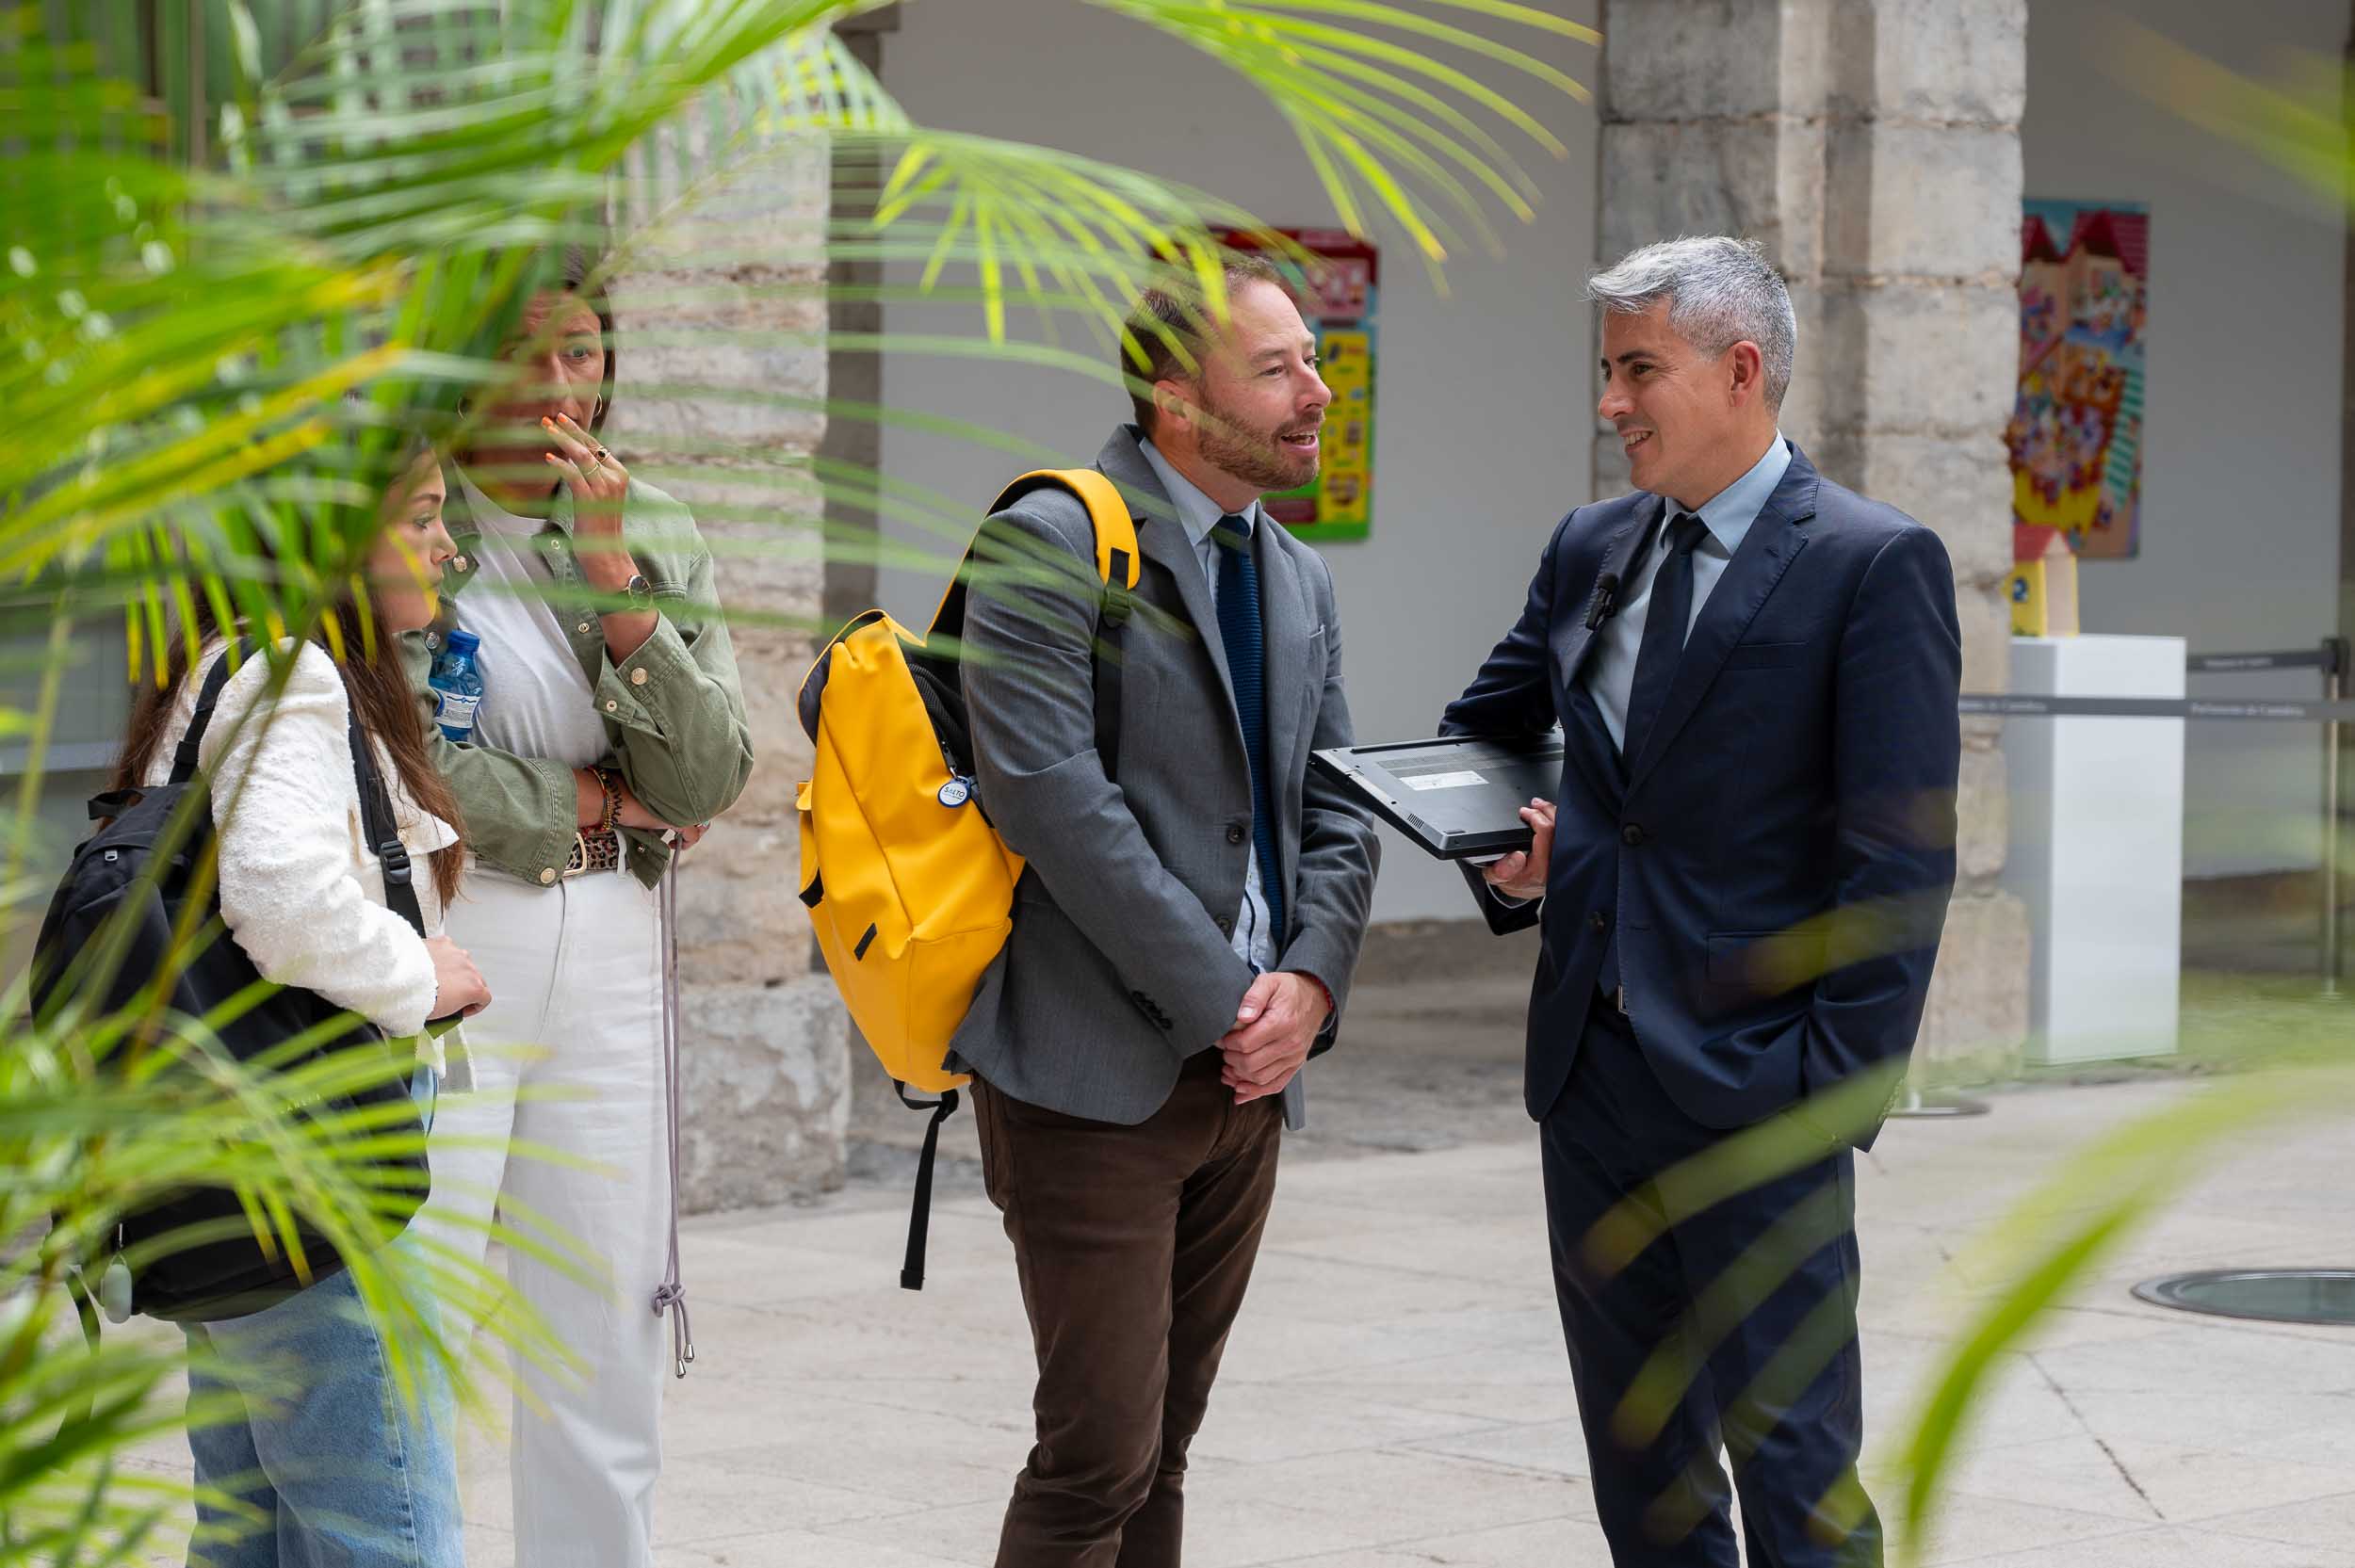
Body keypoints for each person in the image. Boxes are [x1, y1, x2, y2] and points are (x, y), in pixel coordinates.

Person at [1438, 235, 1961, 1567]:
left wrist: (1827, 1095)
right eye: (1607, 370)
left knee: (1793, 1470)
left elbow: (1898, 862)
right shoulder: (1589, 547)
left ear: (1739, 371)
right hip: (1591, 1079)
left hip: (1760, 1092)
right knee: (1643, 1472)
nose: (1611, 402)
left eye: (1637, 370)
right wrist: (1528, 848)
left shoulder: (1872, 563)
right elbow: (1484, 736)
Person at [950, 254, 1380, 1568]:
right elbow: (1049, 797)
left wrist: (1306, 985)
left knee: (1165, 1451)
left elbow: (1339, 804)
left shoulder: (1296, 575)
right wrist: (1226, 1000)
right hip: (1093, 1075)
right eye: (1279, 367)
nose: (1316, 390)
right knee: (1097, 1455)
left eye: (1313, 358)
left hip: (1250, 1080)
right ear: (1176, 400)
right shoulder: (1049, 538)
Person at [404, 252, 751, 1568]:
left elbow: (711, 772)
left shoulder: (644, 519)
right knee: (422, 1291)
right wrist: (605, 805)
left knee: (601, 1310)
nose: (564, 387)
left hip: (611, 942)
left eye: (586, 354)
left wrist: (616, 587)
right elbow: (409, 767)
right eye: (531, 356)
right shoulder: (408, 517)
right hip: (454, 931)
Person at [108, 446, 490, 1568]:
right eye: (422, 517)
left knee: (248, 1524)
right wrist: (422, 975)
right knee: (388, 1528)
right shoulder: (294, 677)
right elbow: (281, 901)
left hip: (231, 1152)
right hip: (318, 1158)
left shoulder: (218, 671)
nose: (447, 546)